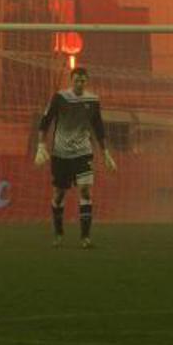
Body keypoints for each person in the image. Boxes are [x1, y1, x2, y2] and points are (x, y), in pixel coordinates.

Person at [34, 66, 116, 248]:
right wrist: (40, 145)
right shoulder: (60, 97)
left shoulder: (93, 100)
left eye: (83, 80)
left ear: (87, 82)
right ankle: (58, 234)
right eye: (77, 80)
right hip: (61, 153)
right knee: (58, 195)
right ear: (71, 81)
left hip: (83, 151)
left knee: (86, 190)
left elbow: (98, 127)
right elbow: (45, 121)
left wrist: (105, 153)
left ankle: (85, 238)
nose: (79, 83)